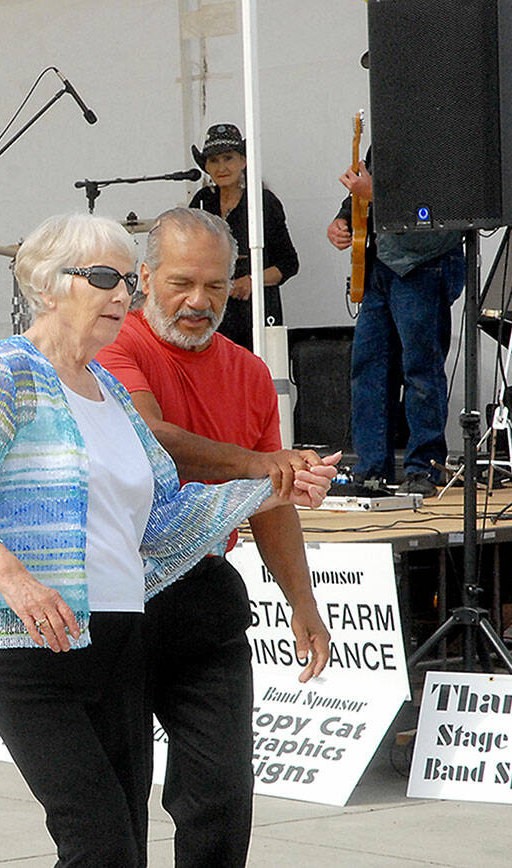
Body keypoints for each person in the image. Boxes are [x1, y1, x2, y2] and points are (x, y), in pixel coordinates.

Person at [0, 214, 336, 866]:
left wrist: (275, 487)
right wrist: (14, 578)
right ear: (51, 286)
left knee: (124, 849)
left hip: (117, 640)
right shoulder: (8, 373)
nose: (121, 297)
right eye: (105, 279)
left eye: (124, 285)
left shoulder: (106, 389)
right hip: (27, 645)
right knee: (100, 844)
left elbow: (164, 518)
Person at [97, 208, 334, 866]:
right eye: (180, 283)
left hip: (203, 591)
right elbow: (155, 447)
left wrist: (302, 602)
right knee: (115, 806)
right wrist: (265, 464)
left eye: (214, 285)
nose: (198, 302)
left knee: (222, 796)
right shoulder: (114, 347)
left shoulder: (251, 372)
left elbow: (272, 502)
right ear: (143, 278)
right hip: (119, 591)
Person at [326, 132, 464, 496]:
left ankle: (424, 467)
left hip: (424, 262)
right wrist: (343, 218)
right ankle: (371, 468)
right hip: (381, 266)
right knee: (368, 370)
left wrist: (376, 195)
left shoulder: (446, 136)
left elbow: (442, 204)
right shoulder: (389, 132)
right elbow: (365, 187)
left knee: (421, 371)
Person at [189, 123, 298, 352]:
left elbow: (288, 264)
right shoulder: (201, 202)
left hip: (256, 313)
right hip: (211, 311)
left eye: (228, 158)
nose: (222, 167)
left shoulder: (264, 202)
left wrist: (252, 281)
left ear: (243, 161)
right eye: (214, 160)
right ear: (206, 166)